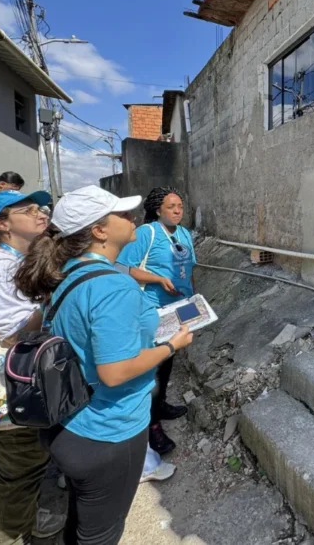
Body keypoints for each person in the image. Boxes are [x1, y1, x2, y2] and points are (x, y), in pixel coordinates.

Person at [15, 185, 193, 545]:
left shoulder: (68, 271)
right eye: (123, 215)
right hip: (107, 431)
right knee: (100, 535)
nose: (132, 220)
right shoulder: (113, 286)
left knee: (82, 523)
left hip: (69, 423)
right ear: (99, 231)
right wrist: (170, 345)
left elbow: (31, 328)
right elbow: (115, 371)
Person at [0, 189, 66, 543]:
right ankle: (5, 535)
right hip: (13, 388)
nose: (40, 214)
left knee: (32, 461)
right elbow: (13, 333)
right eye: (28, 210)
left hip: (26, 380)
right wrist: (60, 297)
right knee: (20, 468)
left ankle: (29, 519)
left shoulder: (16, 260)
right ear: (2, 224)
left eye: (40, 207)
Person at [118, 187, 197, 455]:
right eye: (171, 206)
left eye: (180, 206)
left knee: (169, 358)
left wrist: (193, 299)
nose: (177, 211)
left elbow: (189, 270)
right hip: (152, 309)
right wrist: (158, 279)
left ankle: (160, 404)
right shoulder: (146, 233)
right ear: (157, 210)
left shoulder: (185, 234)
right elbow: (122, 267)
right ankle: (151, 426)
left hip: (180, 308)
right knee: (150, 366)